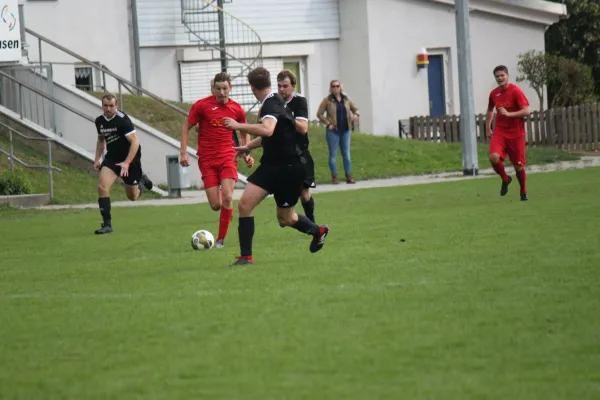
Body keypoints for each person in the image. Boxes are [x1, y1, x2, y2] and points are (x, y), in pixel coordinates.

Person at [223, 67, 329, 266]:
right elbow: (268, 135)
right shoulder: (273, 101)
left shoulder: (271, 103)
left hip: (289, 169)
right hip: (271, 166)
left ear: (252, 87)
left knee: (285, 219)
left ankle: (318, 231)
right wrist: (247, 147)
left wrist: (237, 126)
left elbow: (268, 129)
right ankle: (246, 257)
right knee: (245, 204)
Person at [180, 72, 254, 248]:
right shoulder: (202, 106)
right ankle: (223, 195)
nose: (221, 92)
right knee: (215, 204)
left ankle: (221, 239)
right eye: (218, 89)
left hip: (228, 156)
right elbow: (186, 126)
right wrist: (183, 152)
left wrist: (247, 152)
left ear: (230, 88)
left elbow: (244, 130)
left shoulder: (236, 109)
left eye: (225, 88)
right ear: (213, 88)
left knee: (228, 196)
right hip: (206, 159)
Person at [93, 93, 153, 234]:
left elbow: (135, 142)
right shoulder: (99, 121)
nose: (108, 109)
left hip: (130, 159)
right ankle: (107, 225)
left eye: (111, 106)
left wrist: (126, 163)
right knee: (102, 187)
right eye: (105, 106)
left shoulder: (123, 120)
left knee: (132, 196)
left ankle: (140, 181)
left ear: (116, 106)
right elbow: (101, 140)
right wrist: (97, 159)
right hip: (112, 158)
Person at [276, 69, 316, 223]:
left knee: (304, 192)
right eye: (279, 86)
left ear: (293, 86)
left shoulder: (299, 101)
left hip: (300, 153)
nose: (281, 89)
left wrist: (284, 115)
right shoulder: (274, 101)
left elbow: (303, 128)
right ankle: (286, 217)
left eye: (285, 86)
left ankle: (312, 223)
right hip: (281, 154)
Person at [486, 65, 530, 201]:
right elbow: (490, 110)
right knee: (493, 157)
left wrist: (509, 114)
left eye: (502, 75)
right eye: (497, 76)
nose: (500, 78)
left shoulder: (516, 91)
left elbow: (526, 111)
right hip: (500, 131)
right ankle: (505, 179)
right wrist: (488, 127)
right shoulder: (494, 94)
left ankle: (523, 190)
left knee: (518, 166)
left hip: (516, 133)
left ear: (507, 75)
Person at [316, 80, 360, 184]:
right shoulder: (327, 100)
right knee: (333, 155)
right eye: (333, 86)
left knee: (346, 154)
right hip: (333, 131)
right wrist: (328, 124)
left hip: (345, 130)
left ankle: (348, 176)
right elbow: (319, 114)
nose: (335, 88)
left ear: (341, 87)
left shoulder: (346, 99)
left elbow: (356, 109)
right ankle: (334, 177)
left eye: (337, 86)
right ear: (330, 88)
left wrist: (356, 115)